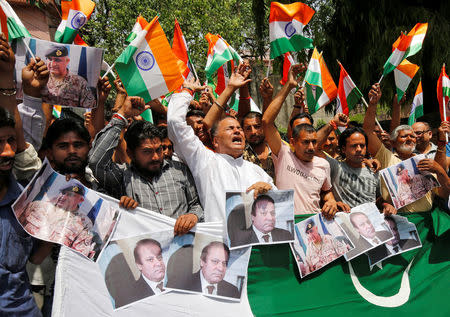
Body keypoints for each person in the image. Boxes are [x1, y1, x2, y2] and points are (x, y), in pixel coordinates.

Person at [167, 67, 274, 229]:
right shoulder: (204, 160)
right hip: (219, 248)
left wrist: (269, 191)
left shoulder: (257, 171)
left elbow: (282, 207)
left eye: (239, 128)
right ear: (215, 141)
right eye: (230, 128)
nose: (237, 130)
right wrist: (187, 91)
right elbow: (175, 123)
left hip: (257, 249)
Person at [89, 96, 203, 235]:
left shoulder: (180, 170)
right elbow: (96, 161)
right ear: (130, 153)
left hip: (182, 252)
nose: (156, 157)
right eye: (147, 152)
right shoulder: (121, 177)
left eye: (158, 149)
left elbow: (196, 204)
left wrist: (193, 216)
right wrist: (122, 115)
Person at [262, 65, 338, 218]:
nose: (311, 147)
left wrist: (331, 202)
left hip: (313, 228)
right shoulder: (283, 153)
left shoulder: (323, 165)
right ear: (293, 142)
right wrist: (288, 85)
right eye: (305, 142)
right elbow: (266, 121)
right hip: (285, 227)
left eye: (314, 142)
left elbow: (327, 192)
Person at [363, 83, 448, 212]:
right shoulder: (387, 157)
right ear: (393, 142)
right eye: (404, 136)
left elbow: (443, 194)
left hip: (425, 223)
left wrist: (439, 170)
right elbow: (368, 132)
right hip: (397, 219)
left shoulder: (424, 162)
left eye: (413, 136)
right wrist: (373, 103)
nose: (409, 138)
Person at [18, 182, 96, 258]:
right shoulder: (38, 206)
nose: (63, 197)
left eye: (70, 195)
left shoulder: (83, 223)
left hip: (49, 265)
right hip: (19, 252)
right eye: (62, 193)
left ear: (81, 200)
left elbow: (77, 255)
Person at [118, 239, 166, 306]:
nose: (158, 263)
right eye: (150, 259)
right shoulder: (127, 298)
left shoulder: (179, 279)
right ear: (139, 266)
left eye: (159, 257)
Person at [242, 111, 275, 179]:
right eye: (248, 128)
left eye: (257, 127)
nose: (253, 132)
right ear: (243, 131)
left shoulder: (276, 150)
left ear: (264, 127)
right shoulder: (240, 156)